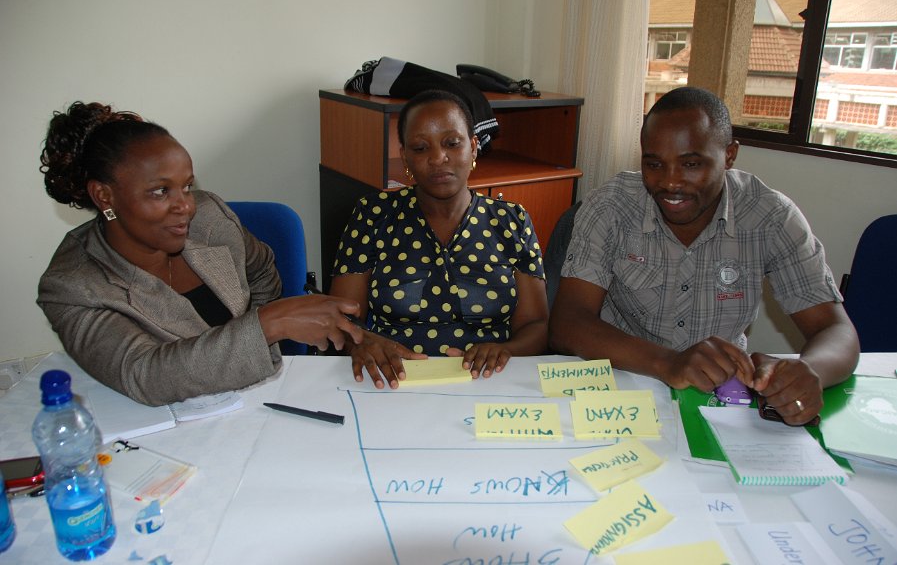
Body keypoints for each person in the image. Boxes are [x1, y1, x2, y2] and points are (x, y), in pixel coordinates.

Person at [549, 86, 859, 426]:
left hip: (721, 397)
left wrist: (808, 371)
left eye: (691, 164)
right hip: (620, 387)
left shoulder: (770, 217)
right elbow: (568, 324)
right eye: (654, 164)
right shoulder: (610, 207)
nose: (670, 182)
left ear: (729, 155)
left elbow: (835, 329)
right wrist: (668, 363)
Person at [37, 101, 363, 406]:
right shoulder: (74, 286)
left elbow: (263, 270)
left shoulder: (209, 218)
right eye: (161, 191)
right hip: (162, 421)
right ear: (104, 196)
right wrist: (267, 325)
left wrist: (255, 343)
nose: (185, 206)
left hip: (252, 401)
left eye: (187, 187)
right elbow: (143, 375)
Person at [329, 89, 549, 389]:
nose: (437, 158)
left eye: (452, 143)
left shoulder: (512, 221)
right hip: (392, 382)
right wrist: (363, 342)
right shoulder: (373, 215)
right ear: (405, 157)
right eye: (420, 148)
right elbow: (343, 319)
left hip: (489, 380)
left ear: (473, 148)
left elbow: (536, 325)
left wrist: (508, 350)